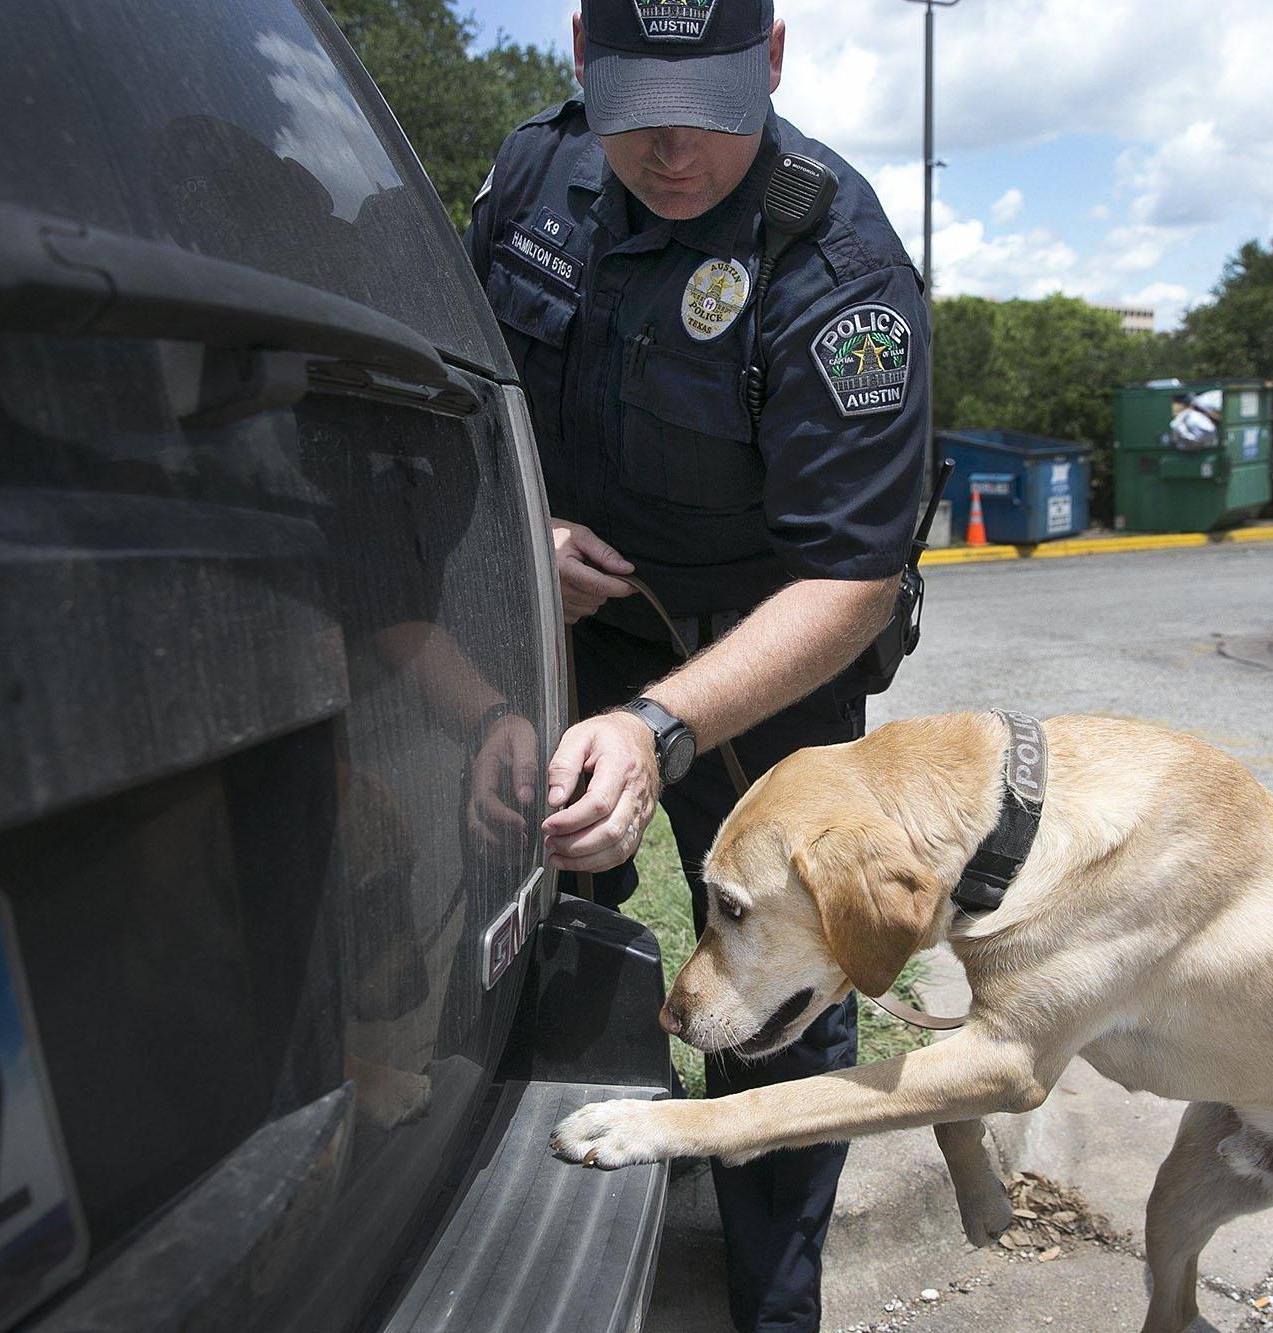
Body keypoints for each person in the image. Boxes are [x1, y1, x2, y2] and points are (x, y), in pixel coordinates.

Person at [464, 3, 928, 1329]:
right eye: (634, 106)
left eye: (710, 105)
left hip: (765, 661)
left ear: (774, 59)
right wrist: (519, 523)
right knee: (541, 922)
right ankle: (553, 1205)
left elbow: (849, 579)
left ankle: (770, 1304)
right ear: (578, 56)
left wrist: (661, 725)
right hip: (564, 627)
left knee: (780, 978)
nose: (668, 149)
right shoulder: (531, 173)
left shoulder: (834, 259)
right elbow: (456, 397)